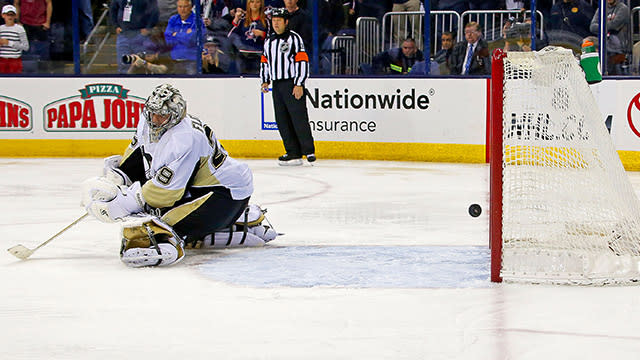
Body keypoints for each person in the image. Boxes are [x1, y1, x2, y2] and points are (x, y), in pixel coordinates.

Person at [81, 83, 277, 268]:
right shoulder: (148, 121)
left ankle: (235, 220)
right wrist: (121, 176)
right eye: (152, 113)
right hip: (200, 186)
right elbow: (138, 152)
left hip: (224, 194)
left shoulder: (184, 138)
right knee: (151, 211)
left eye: (161, 116)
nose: (155, 120)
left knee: (156, 228)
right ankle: (232, 222)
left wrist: (123, 203)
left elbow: (166, 192)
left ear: (175, 116)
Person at [260, 8, 315, 166]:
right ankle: (293, 152)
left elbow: (302, 61)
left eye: (279, 20)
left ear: (286, 22)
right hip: (277, 85)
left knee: (298, 117)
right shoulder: (269, 41)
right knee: (282, 119)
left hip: (292, 83)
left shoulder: (294, 39)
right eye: (274, 20)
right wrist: (265, 80)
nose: (276, 23)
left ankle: (308, 151)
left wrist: (299, 83)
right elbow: (265, 62)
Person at [110, 0, 159, 74]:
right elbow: (113, 9)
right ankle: (125, 84)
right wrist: (116, 26)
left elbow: (154, 11)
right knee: (123, 66)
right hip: (123, 34)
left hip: (141, 34)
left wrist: (148, 28)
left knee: (142, 65)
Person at [165, 0, 206, 74]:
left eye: (185, 6)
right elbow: (168, 40)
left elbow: (192, 40)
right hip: (175, 60)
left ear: (190, 7)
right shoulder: (173, 19)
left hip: (192, 61)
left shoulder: (197, 21)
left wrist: (175, 34)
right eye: (180, 7)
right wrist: (185, 35)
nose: (182, 9)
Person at [590, 0, 630, 75]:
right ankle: (592, 73)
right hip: (603, 40)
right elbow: (592, 27)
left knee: (611, 42)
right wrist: (607, 25)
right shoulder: (601, 9)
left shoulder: (622, 8)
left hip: (618, 43)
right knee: (588, 41)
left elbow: (614, 25)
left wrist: (601, 26)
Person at [228, 0, 268, 74]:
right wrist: (236, 19)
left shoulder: (266, 21)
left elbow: (273, 39)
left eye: (257, 2)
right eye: (252, 2)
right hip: (243, 55)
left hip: (259, 55)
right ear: (248, 4)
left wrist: (263, 34)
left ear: (261, 4)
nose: (254, 4)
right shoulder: (242, 20)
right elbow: (230, 35)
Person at [13, 0, 51, 73]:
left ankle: (44, 71)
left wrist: (47, 22)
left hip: (40, 24)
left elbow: (49, 3)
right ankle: (23, 72)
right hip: (24, 24)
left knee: (42, 51)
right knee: (24, 50)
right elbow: (16, 3)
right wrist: (17, 21)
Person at [0, 5, 28, 73]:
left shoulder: (20, 29)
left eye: (12, 15)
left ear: (15, 16)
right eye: (7, 14)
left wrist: (8, 43)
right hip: (1, 60)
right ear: (3, 15)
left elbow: (26, 47)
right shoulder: (0, 28)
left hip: (15, 61)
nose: (10, 17)